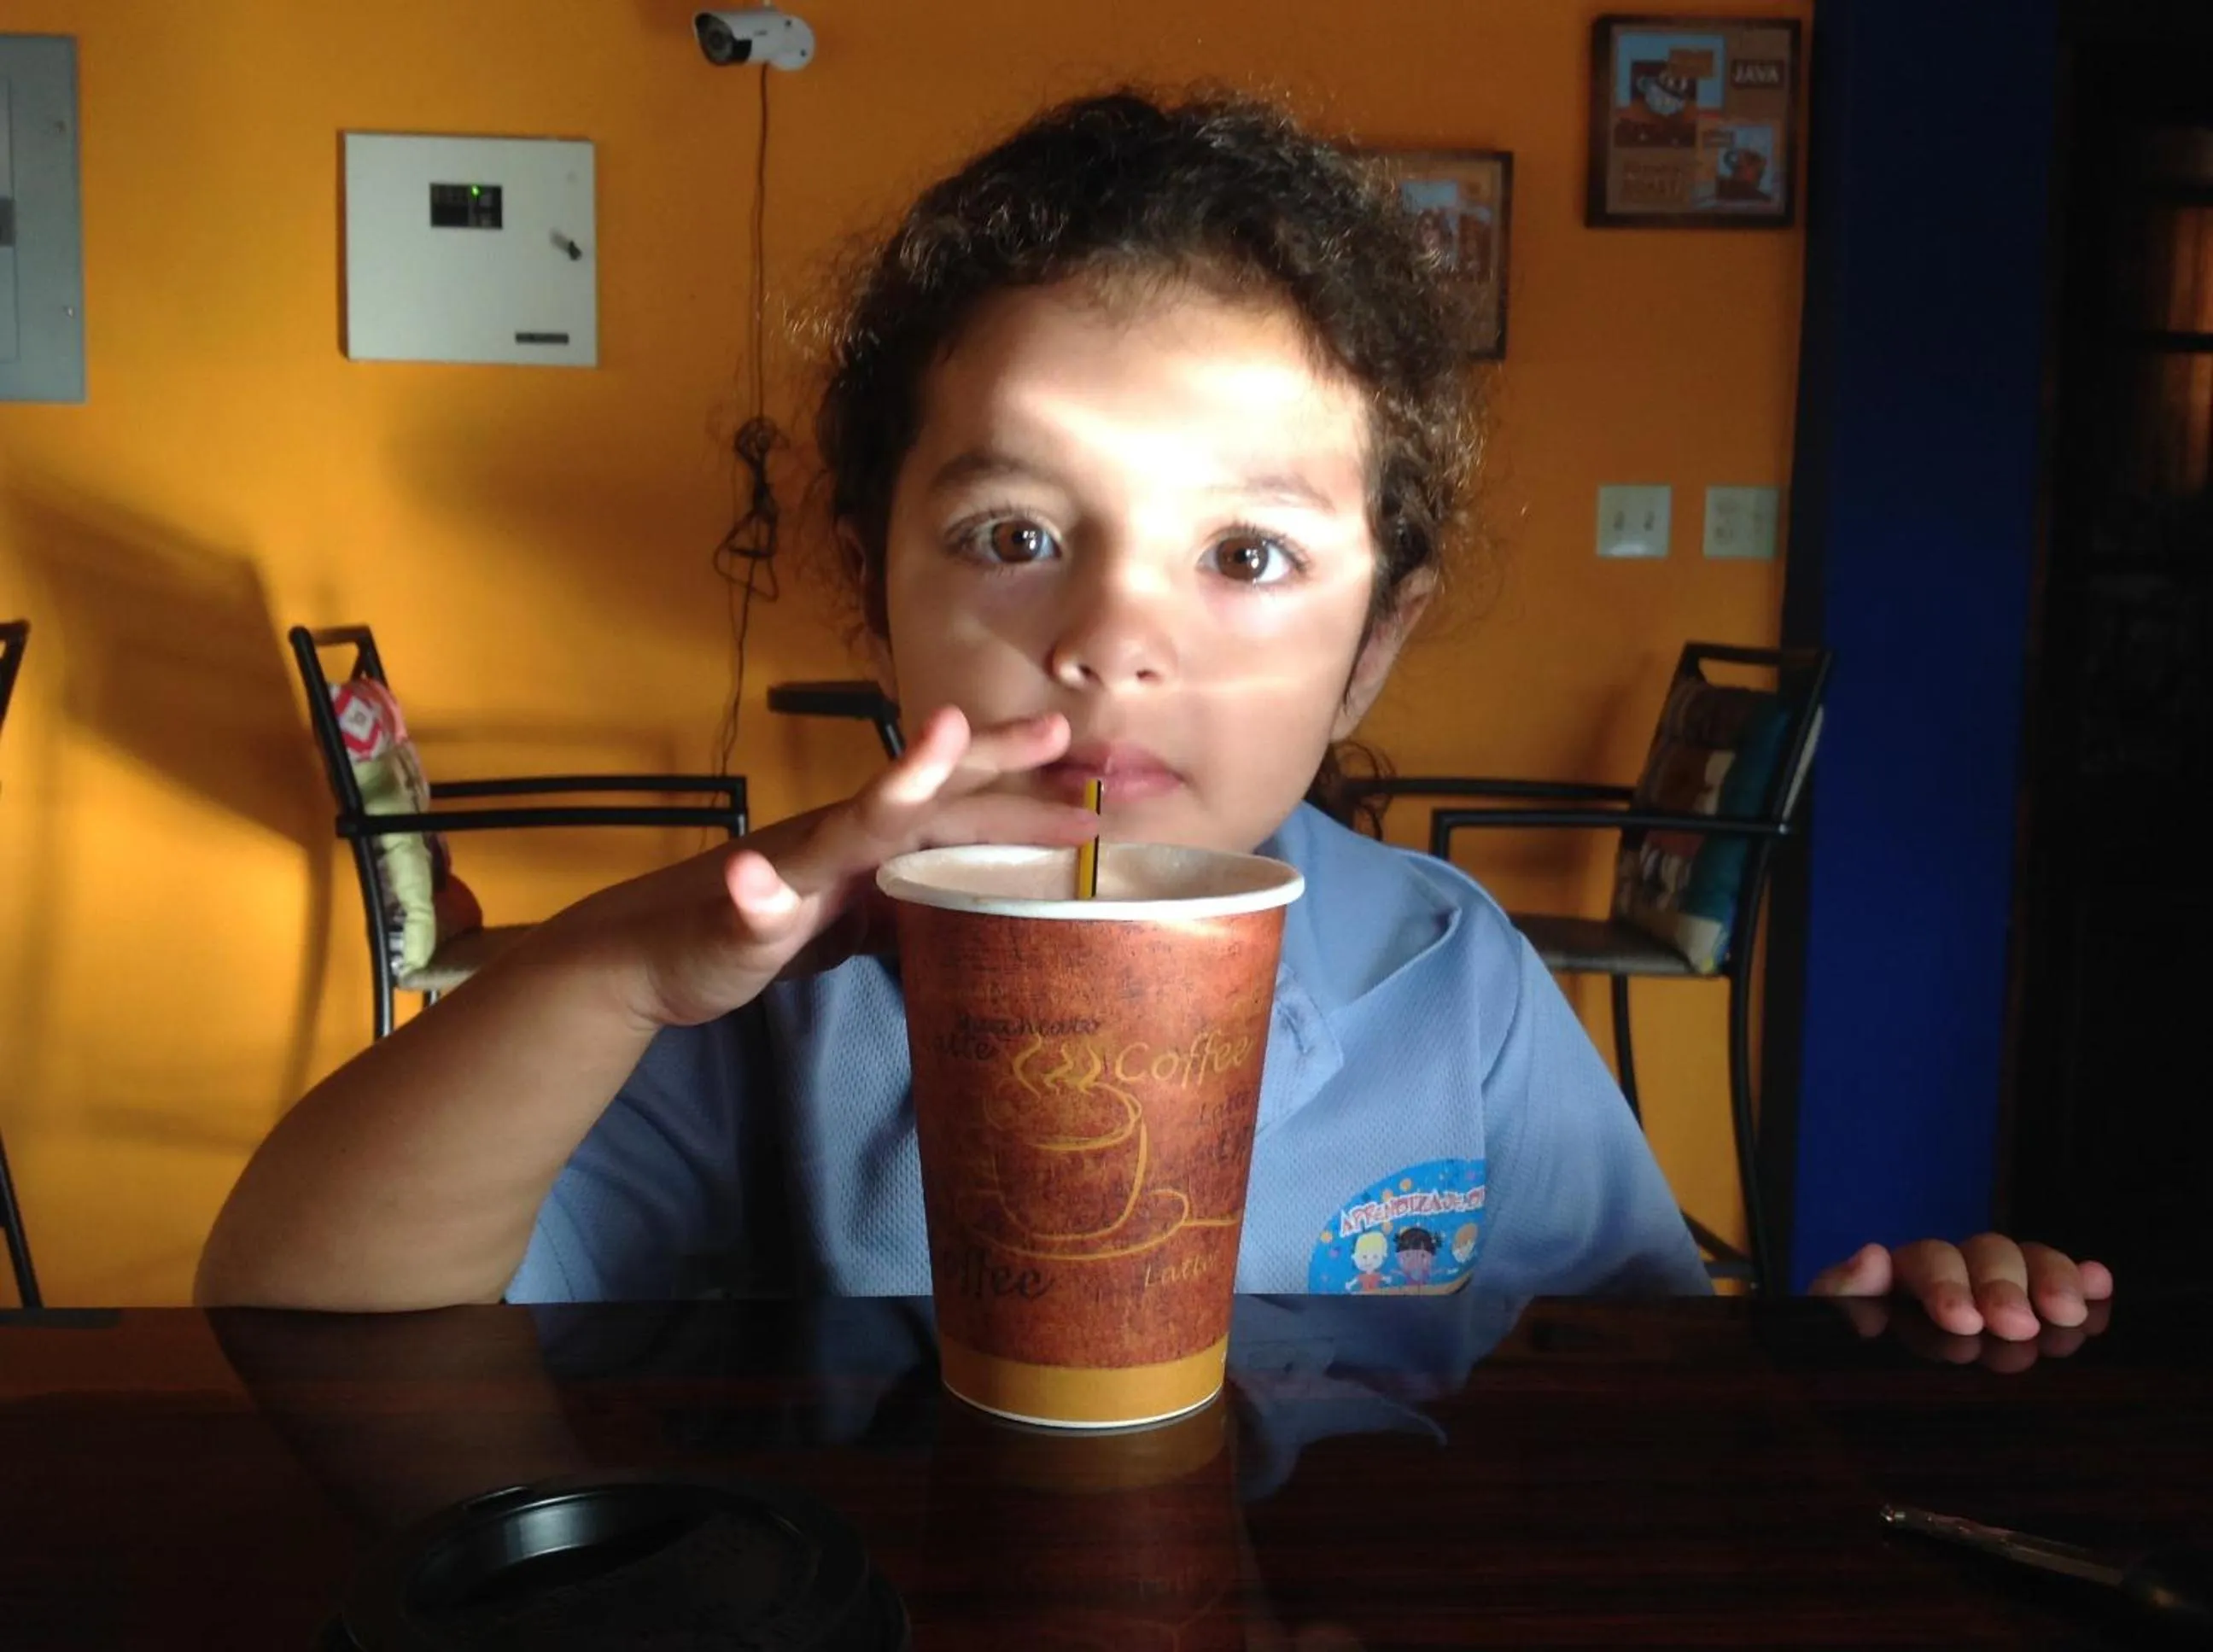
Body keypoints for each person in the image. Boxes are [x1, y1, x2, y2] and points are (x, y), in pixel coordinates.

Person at [196, 90, 2110, 1343]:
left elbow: (1637, 1371)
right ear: (876, 592)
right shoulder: (765, 991)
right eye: (1018, 531)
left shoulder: (1456, 984)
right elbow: (294, 1298)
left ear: (1375, 650)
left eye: (1248, 556)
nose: (1112, 633)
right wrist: (614, 966)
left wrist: (1883, 1333)